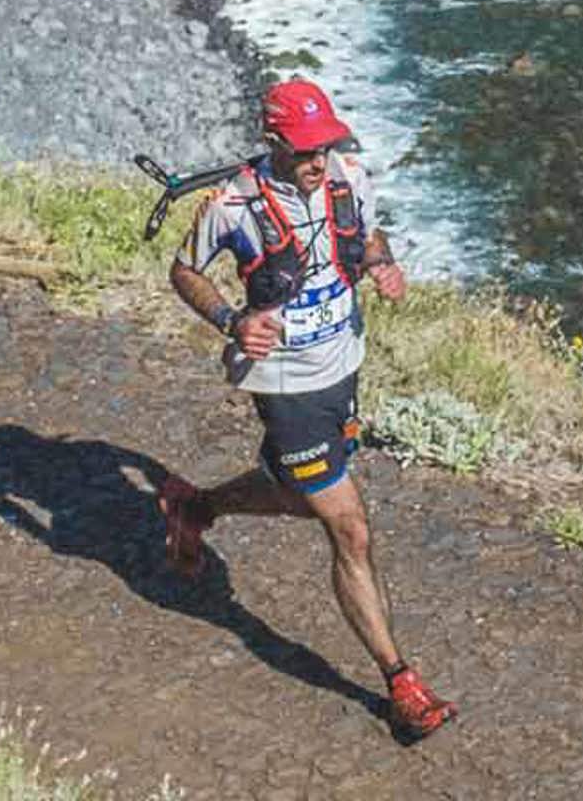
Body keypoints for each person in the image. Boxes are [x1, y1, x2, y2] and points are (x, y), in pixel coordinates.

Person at [161, 77, 457, 741]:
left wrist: (383, 266)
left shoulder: (349, 176)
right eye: (303, 151)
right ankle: (401, 683)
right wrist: (231, 320)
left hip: (342, 370)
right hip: (285, 382)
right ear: (273, 144)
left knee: (297, 494)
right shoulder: (233, 204)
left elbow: (367, 239)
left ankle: (195, 508)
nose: (318, 160)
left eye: (324, 145)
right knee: (348, 527)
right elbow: (184, 271)